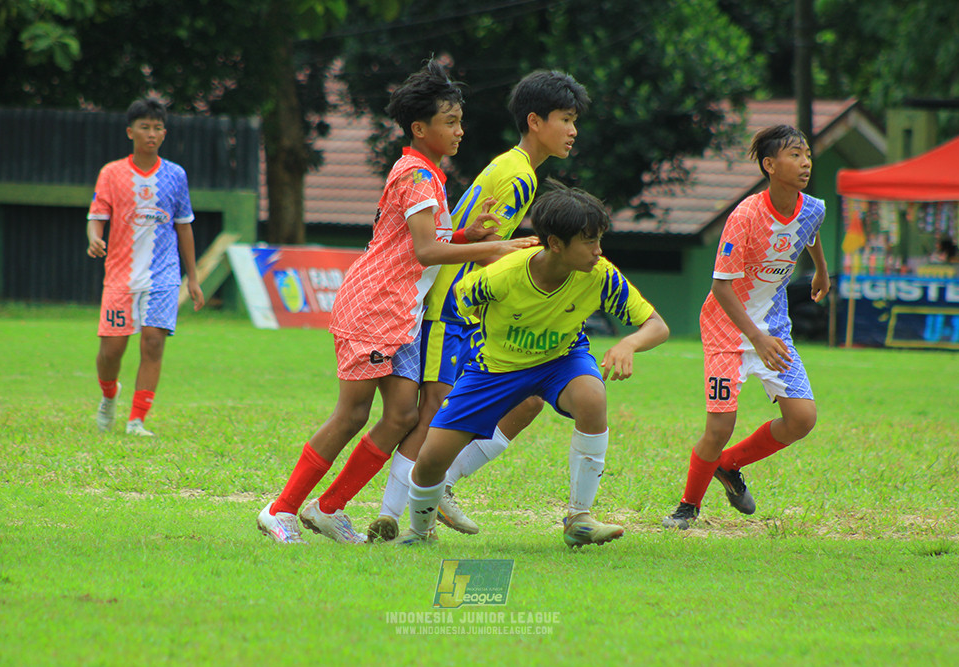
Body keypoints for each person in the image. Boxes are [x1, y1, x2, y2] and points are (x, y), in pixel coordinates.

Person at [256, 60, 537, 545]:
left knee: (403, 416)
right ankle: (280, 510)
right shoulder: (417, 176)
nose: (460, 131)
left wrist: (468, 234)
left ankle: (329, 508)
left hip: (401, 312)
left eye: (460, 121)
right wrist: (495, 248)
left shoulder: (428, 174)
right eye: (450, 122)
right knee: (352, 415)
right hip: (374, 306)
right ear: (420, 128)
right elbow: (426, 251)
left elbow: (423, 241)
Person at [368, 69, 591, 543]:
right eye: (566, 119)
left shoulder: (515, 169)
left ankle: (437, 486)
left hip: (466, 307)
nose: (573, 131)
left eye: (575, 121)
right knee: (437, 410)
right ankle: (396, 513)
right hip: (451, 305)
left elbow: (481, 240)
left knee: (524, 399)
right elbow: (490, 251)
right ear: (535, 121)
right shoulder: (517, 176)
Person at [394, 180, 670, 547]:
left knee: (592, 396)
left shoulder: (600, 275)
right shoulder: (502, 275)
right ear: (555, 244)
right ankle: (420, 531)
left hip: (561, 360)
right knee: (431, 459)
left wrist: (629, 344)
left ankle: (579, 518)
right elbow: (459, 302)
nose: (598, 251)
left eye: (599, 240)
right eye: (589, 241)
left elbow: (657, 325)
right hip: (496, 369)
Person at [662, 124, 830, 530]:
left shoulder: (814, 208)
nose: (805, 162)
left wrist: (821, 270)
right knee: (720, 426)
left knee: (802, 418)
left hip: (774, 327)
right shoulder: (745, 216)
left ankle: (728, 465)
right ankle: (687, 507)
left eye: (807, 154)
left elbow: (809, 232)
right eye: (794, 155)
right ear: (770, 165)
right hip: (726, 330)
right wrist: (755, 337)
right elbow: (720, 287)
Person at [86, 98, 204, 437]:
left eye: (157, 128)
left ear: (164, 134)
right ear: (130, 132)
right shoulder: (112, 173)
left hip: (163, 274)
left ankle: (136, 420)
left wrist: (192, 277)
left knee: (153, 342)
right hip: (121, 275)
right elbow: (96, 217)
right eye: (145, 127)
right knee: (112, 350)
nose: (151, 134)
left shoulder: (175, 175)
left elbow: (184, 226)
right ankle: (109, 395)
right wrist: (94, 238)